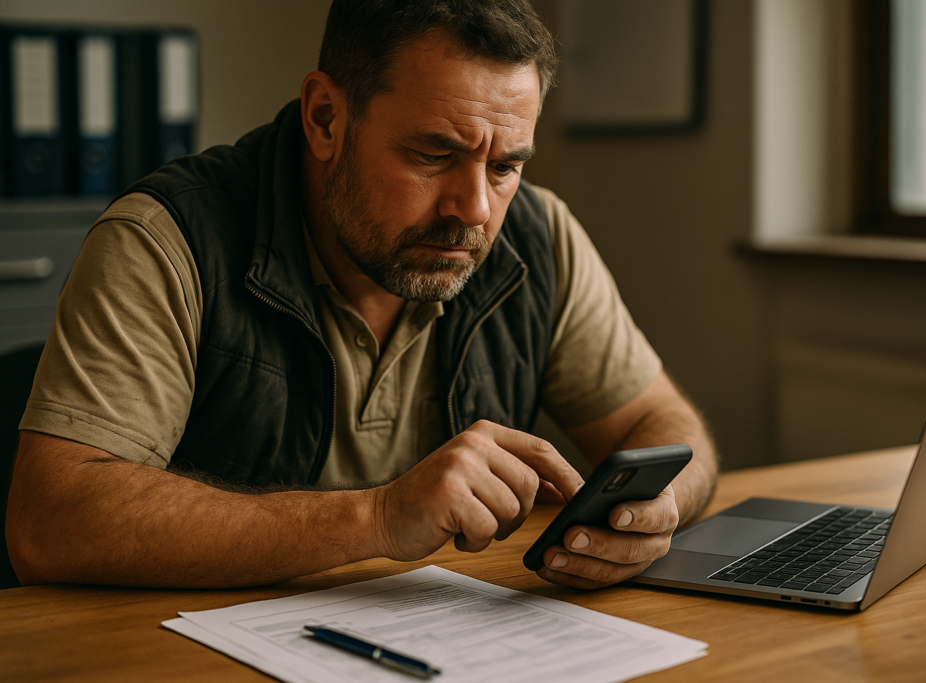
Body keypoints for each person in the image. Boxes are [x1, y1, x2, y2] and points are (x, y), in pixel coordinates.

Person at [6, 0, 717, 590]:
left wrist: (653, 509)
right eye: (434, 154)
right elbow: (50, 522)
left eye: (504, 166)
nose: (474, 209)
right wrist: (377, 517)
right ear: (325, 118)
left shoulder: (540, 236)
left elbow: (660, 421)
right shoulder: (167, 240)